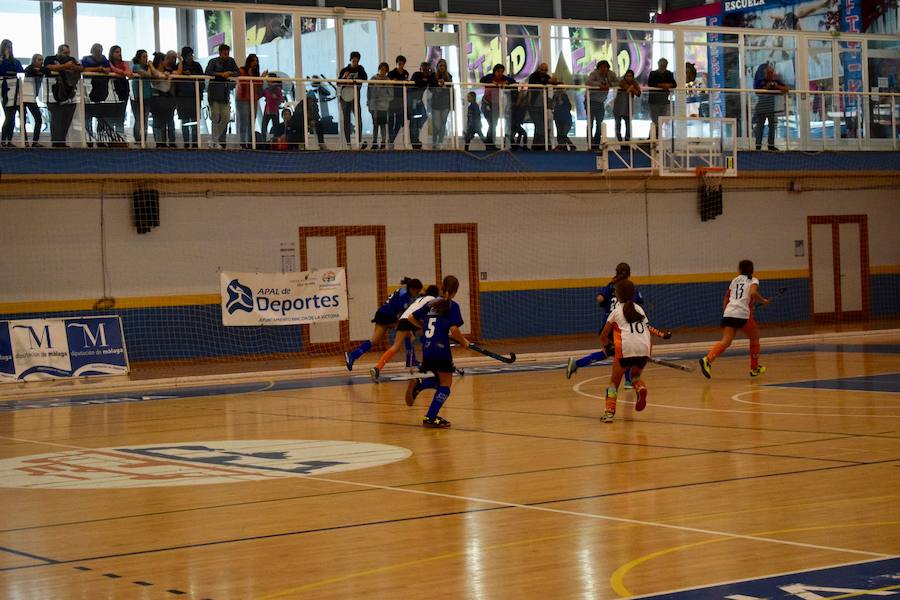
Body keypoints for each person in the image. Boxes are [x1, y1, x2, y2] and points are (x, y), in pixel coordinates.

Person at [404, 275, 471, 428]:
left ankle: (420, 384)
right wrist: (464, 342)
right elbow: (454, 331)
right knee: (446, 384)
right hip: (441, 349)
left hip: (427, 348)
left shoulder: (431, 303)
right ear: (455, 291)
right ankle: (431, 416)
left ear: (442, 287)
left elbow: (410, 318)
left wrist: (425, 328)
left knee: (440, 380)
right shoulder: (452, 305)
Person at [566, 263, 645, 381]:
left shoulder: (611, 285)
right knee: (625, 352)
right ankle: (629, 381)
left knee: (610, 352)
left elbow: (600, 298)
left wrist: (605, 299)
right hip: (620, 325)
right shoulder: (629, 287)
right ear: (629, 274)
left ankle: (576, 364)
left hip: (607, 326)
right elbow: (639, 300)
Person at [699, 260, 770, 379]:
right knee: (755, 338)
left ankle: (708, 359)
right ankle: (754, 368)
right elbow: (752, 293)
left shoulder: (734, 280)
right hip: (742, 315)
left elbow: (727, 297)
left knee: (725, 341)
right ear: (752, 270)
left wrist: (726, 312)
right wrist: (763, 301)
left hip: (729, 312)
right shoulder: (753, 280)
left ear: (740, 270)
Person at [597, 280, 651, 423]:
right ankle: (640, 388)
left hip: (625, 349)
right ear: (633, 294)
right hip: (644, 347)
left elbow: (603, 337)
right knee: (634, 377)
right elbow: (647, 329)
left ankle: (609, 412)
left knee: (614, 383)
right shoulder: (640, 309)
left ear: (617, 296)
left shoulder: (615, 312)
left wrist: (609, 346)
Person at [343, 277, 424, 371]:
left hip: (381, 313)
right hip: (388, 316)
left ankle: (352, 355)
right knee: (408, 333)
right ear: (412, 289)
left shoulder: (403, 290)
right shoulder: (404, 297)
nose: (416, 295)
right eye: (417, 292)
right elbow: (403, 317)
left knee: (374, 340)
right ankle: (411, 362)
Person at [370, 284, 440, 381]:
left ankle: (377, 368)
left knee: (395, 346)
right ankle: (431, 364)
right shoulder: (432, 300)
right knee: (429, 338)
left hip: (403, 319)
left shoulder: (421, 298)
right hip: (412, 319)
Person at [43, 44, 83, 148]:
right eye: (65, 53)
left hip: (70, 93)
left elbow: (81, 68)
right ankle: (56, 142)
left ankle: (62, 141)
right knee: (57, 119)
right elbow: (48, 68)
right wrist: (65, 67)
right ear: (59, 52)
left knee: (67, 118)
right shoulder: (50, 58)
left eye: (68, 53)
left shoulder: (72, 60)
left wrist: (72, 66)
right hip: (54, 94)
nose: (67, 55)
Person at [205, 44, 239, 148]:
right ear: (220, 53)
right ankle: (215, 140)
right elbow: (207, 72)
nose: (227, 55)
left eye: (228, 53)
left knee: (226, 117)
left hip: (225, 93)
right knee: (215, 116)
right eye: (225, 53)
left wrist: (230, 73)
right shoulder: (213, 61)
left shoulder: (231, 61)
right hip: (214, 92)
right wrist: (221, 74)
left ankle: (215, 139)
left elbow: (237, 72)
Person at [80, 43, 112, 145]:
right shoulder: (86, 59)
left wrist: (104, 69)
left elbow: (108, 69)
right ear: (92, 51)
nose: (99, 53)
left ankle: (101, 139)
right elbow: (83, 69)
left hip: (102, 91)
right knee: (88, 116)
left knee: (100, 116)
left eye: (100, 51)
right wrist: (98, 69)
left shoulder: (103, 59)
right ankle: (88, 139)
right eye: (97, 51)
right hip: (88, 90)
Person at [479, 63, 516, 151]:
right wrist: (492, 83)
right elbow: (481, 80)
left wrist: (505, 82)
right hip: (486, 103)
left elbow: (513, 81)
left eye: (502, 72)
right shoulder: (489, 76)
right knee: (492, 124)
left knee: (494, 124)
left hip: (496, 104)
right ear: (495, 71)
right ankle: (489, 144)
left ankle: (490, 144)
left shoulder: (504, 78)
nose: (500, 73)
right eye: (498, 71)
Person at [753, 65, 788, 151]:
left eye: (771, 73)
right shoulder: (760, 82)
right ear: (765, 73)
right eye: (768, 73)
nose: (770, 74)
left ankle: (771, 145)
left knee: (772, 126)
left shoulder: (777, 82)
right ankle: (758, 146)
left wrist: (777, 87)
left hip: (772, 109)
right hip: (761, 108)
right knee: (760, 127)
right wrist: (766, 87)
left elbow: (786, 89)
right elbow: (757, 92)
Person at [175, 46, 204, 149]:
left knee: (195, 121)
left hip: (195, 97)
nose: (191, 57)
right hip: (182, 97)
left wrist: (199, 93)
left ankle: (195, 142)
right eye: (188, 55)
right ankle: (186, 143)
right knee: (184, 121)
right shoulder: (179, 66)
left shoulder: (197, 66)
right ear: (184, 56)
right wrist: (183, 73)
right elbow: (176, 80)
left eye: (192, 55)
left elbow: (202, 81)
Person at [236, 54, 267, 149]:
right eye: (253, 61)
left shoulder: (255, 73)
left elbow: (257, 87)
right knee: (244, 121)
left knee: (251, 122)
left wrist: (261, 78)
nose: (255, 63)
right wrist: (249, 75)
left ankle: (249, 143)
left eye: (256, 61)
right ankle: (242, 143)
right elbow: (242, 83)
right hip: (243, 99)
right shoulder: (242, 71)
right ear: (249, 61)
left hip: (253, 99)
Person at [585, 60, 618, 150]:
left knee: (599, 123)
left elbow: (617, 82)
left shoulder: (611, 74)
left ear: (608, 68)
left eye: (605, 68)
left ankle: (596, 144)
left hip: (600, 102)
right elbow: (588, 82)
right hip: (590, 101)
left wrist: (609, 84)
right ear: (598, 68)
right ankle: (590, 144)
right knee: (590, 123)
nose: (603, 70)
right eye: (601, 68)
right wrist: (600, 85)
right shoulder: (594, 73)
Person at [338, 51, 367, 148]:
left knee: (358, 118)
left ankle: (358, 141)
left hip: (355, 97)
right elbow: (338, 83)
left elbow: (365, 78)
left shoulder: (360, 69)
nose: (355, 63)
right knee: (346, 119)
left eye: (357, 61)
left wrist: (359, 73)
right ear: (350, 60)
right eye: (354, 61)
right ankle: (348, 143)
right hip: (345, 97)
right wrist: (343, 77)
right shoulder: (344, 70)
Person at [148, 51, 177, 147]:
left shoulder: (168, 72)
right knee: (158, 122)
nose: (167, 61)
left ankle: (172, 141)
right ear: (161, 61)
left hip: (168, 98)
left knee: (170, 121)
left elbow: (177, 73)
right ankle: (160, 142)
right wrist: (151, 65)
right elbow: (155, 78)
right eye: (165, 60)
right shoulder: (152, 71)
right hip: (157, 98)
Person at [0, 39, 23, 147]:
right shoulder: (1, 60)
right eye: (7, 47)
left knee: (13, 116)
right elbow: (2, 70)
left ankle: (9, 140)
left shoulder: (15, 61)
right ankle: (3, 140)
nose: (9, 49)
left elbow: (20, 69)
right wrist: (6, 58)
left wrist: (9, 67)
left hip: (16, 89)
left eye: (10, 47)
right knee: (8, 115)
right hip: (4, 89)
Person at [107, 45, 132, 142]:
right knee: (111, 115)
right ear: (112, 53)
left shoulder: (124, 62)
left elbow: (129, 72)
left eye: (120, 52)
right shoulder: (108, 62)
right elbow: (113, 69)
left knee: (121, 115)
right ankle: (110, 138)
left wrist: (123, 72)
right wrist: (123, 72)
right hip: (111, 91)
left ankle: (120, 138)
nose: (119, 54)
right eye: (116, 52)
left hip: (123, 89)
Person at [647, 58, 676, 138]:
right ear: (658, 64)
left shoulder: (669, 73)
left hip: (664, 100)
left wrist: (668, 85)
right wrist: (662, 85)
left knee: (661, 121)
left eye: (664, 64)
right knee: (655, 121)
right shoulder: (653, 73)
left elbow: (674, 84)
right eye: (661, 64)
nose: (663, 66)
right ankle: (654, 138)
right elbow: (650, 83)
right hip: (654, 101)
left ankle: (654, 138)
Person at [409, 61, 435, 149]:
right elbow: (417, 83)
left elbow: (432, 85)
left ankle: (416, 135)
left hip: (419, 100)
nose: (426, 71)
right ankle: (414, 142)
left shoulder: (429, 77)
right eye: (424, 69)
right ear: (420, 69)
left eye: (427, 69)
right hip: (412, 100)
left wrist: (429, 79)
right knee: (414, 121)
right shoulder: (416, 74)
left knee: (424, 116)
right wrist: (425, 81)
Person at [527, 62, 552, 150]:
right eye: (542, 70)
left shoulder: (547, 77)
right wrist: (548, 81)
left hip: (542, 106)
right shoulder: (533, 76)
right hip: (533, 105)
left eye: (545, 70)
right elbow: (537, 84)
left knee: (540, 125)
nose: (544, 72)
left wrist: (556, 81)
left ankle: (536, 146)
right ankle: (541, 145)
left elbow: (551, 82)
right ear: (539, 69)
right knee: (540, 125)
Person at [368, 61, 391, 150]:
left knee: (383, 124)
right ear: (379, 69)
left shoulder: (388, 81)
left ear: (387, 71)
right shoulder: (373, 79)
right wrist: (369, 105)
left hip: (384, 106)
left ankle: (383, 142)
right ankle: (374, 142)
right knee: (375, 124)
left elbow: (391, 94)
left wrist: (384, 99)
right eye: (381, 69)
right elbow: (369, 93)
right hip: (374, 106)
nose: (383, 71)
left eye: (385, 70)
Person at [612, 69, 641, 142]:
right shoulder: (622, 82)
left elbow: (638, 93)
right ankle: (620, 140)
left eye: (630, 76)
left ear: (633, 77)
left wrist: (632, 89)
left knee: (628, 125)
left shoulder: (635, 83)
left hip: (628, 107)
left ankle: (627, 141)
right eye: (627, 76)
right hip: (618, 106)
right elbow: (626, 88)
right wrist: (631, 89)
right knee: (618, 124)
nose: (628, 77)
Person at [131, 49, 152, 145]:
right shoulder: (136, 67)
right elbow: (147, 75)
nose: (146, 59)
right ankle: (138, 139)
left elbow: (152, 75)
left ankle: (144, 138)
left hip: (147, 96)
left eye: (147, 56)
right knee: (138, 119)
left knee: (145, 119)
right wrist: (150, 67)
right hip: (137, 97)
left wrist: (150, 66)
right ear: (139, 58)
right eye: (144, 57)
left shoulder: (148, 67)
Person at [387, 55, 409, 149]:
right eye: (399, 63)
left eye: (402, 63)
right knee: (391, 121)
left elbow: (407, 84)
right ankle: (390, 141)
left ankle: (391, 139)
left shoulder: (406, 73)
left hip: (401, 99)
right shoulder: (391, 73)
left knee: (399, 121)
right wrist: (392, 82)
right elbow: (387, 84)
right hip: (392, 99)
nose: (401, 65)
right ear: (396, 63)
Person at [431, 58, 452, 149]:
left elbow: (451, 89)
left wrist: (445, 84)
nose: (442, 67)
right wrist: (438, 84)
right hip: (435, 103)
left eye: (444, 66)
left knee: (443, 123)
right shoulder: (433, 76)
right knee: (436, 123)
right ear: (437, 67)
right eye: (440, 66)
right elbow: (430, 88)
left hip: (445, 103)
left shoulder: (449, 76)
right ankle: (434, 141)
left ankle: (440, 142)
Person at [23, 54, 43, 146]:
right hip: (24, 96)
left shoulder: (42, 70)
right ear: (34, 60)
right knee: (22, 119)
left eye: (42, 60)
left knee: (38, 119)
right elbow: (27, 71)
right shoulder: (29, 68)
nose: (41, 62)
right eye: (39, 60)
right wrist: (37, 70)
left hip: (32, 97)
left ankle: (35, 141)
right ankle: (25, 141)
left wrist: (40, 70)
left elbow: (48, 71)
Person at [551, 81, 576, 151]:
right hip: (558, 117)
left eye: (562, 88)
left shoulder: (565, 96)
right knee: (559, 134)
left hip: (566, 118)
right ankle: (563, 146)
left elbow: (569, 106)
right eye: (558, 88)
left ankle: (569, 145)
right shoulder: (554, 97)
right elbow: (552, 106)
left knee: (563, 134)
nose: (560, 90)